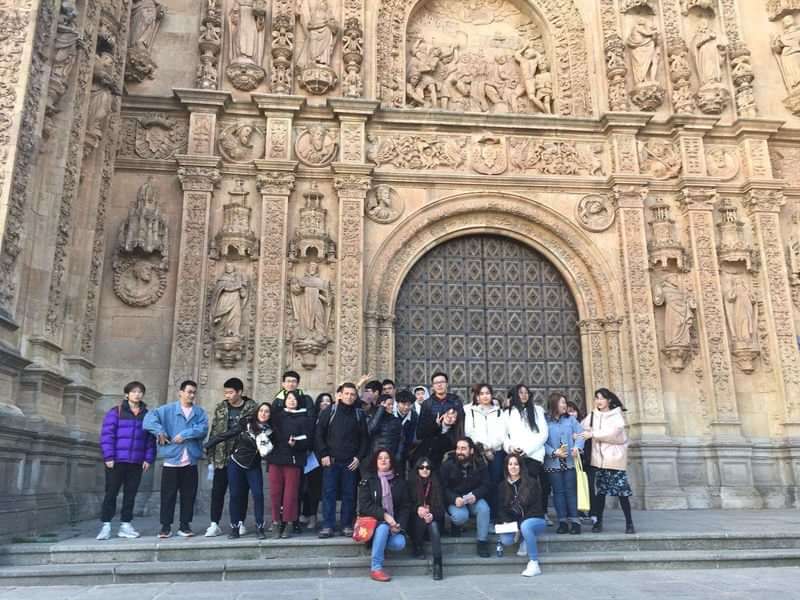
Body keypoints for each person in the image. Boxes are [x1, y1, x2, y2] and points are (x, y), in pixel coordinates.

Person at [143, 380, 209, 538]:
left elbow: (203, 429)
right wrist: (160, 431)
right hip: (172, 459)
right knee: (168, 495)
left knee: (189, 495)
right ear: (180, 392)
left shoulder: (199, 412)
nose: (191, 395)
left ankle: (185, 526)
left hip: (191, 459)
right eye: (189, 391)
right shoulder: (167, 410)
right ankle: (165, 527)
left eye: (194, 392)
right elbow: (148, 421)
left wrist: (185, 434)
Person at [97, 381, 156, 540]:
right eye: (134, 391)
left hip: (136, 461)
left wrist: (148, 458)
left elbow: (151, 439)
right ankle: (106, 525)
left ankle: (125, 525)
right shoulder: (116, 412)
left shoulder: (147, 415)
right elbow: (107, 435)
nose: (137, 394)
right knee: (111, 493)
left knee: (131, 494)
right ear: (127, 394)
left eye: (140, 392)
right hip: (116, 461)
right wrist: (108, 456)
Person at [205, 402, 273, 539]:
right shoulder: (247, 424)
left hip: (253, 466)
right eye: (261, 411)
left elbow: (273, 449)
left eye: (267, 412)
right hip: (236, 463)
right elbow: (228, 434)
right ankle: (234, 528)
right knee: (235, 495)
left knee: (258, 494)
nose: (263, 413)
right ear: (257, 412)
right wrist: (209, 444)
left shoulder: (271, 431)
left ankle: (260, 527)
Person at [315, 382, 369, 538]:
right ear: (340, 395)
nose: (349, 397)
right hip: (331, 461)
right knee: (328, 493)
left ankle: (346, 525)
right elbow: (318, 434)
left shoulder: (359, 414)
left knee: (349, 494)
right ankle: (328, 525)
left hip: (350, 463)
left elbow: (364, 439)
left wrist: (359, 458)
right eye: (347, 394)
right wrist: (323, 454)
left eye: (352, 394)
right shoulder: (329, 412)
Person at [205, 377, 256, 538]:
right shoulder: (221, 407)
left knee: (239, 492)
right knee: (218, 491)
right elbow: (215, 430)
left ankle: (239, 522)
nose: (227, 395)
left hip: (241, 456)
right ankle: (214, 523)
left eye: (231, 392)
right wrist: (211, 456)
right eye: (226, 392)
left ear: (240, 392)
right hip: (221, 456)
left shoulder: (251, 408)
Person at [581, 388, 635, 534]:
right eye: (596, 398)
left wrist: (592, 434)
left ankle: (629, 523)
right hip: (598, 461)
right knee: (600, 494)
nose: (598, 401)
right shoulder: (593, 415)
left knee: (622, 493)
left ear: (609, 400)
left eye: (601, 398)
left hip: (614, 459)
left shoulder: (617, 415)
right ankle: (598, 522)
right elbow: (582, 428)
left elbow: (613, 434)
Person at [357, 449, 410, 582]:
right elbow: (364, 505)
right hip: (372, 525)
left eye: (386, 458)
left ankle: (378, 545)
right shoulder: (368, 480)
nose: (383, 460)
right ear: (376, 461)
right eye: (380, 458)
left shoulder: (399, 481)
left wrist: (399, 525)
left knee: (400, 543)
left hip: (393, 526)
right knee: (383, 528)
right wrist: (385, 516)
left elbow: (405, 507)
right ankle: (376, 568)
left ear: (391, 461)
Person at [267, 390, 313, 538]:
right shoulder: (277, 416)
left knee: (290, 494)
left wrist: (296, 444)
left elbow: (308, 439)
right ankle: (276, 522)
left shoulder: (304, 418)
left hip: (294, 460)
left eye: (294, 398)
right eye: (289, 398)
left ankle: (288, 522)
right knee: (275, 493)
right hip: (276, 458)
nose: (291, 401)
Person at [504, 384, 550, 525]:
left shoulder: (537, 411)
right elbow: (504, 435)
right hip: (515, 456)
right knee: (515, 486)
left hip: (533, 455)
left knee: (533, 486)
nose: (523, 395)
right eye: (520, 393)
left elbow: (543, 434)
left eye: (526, 392)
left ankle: (539, 514)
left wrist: (527, 450)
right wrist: (511, 447)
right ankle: (517, 514)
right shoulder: (507, 413)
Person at [496, 454, 547, 577]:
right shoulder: (502, 486)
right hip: (515, 524)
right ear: (506, 467)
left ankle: (534, 563)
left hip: (535, 519)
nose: (513, 467)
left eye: (516, 464)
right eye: (510, 464)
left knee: (526, 526)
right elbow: (501, 510)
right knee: (506, 540)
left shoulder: (531, 483)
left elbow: (536, 508)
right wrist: (507, 522)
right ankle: (524, 537)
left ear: (521, 466)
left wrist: (519, 527)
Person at [439, 437, 491, 556]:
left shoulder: (480, 463)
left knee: (484, 509)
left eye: (463, 449)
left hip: (473, 498)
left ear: (471, 451)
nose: (460, 451)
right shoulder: (448, 464)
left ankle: (482, 542)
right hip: (455, 500)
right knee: (460, 516)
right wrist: (454, 498)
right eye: (458, 448)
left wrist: (476, 495)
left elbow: (487, 484)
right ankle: (455, 525)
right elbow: (442, 487)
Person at [465, 383, 507, 523]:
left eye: (487, 393)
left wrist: (491, 447)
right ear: (477, 396)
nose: (485, 396)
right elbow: (470, 432)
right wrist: (484, 448)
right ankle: (481, 516)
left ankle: (495, 516)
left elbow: (502, 433)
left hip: (497, 453)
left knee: (496, 483)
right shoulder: (471, 411)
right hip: (478, 453)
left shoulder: (499, 412)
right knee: (481, 483)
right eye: (482, 394)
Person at [544, 392, 584, 534]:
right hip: (553, 462)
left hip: (569, 462)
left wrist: (577, 447)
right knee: (558, 492)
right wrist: (553, 452)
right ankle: (562, 522)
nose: (565, 405)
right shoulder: (545, 421)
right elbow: (541, 441)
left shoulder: (571, 420)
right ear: (554, 404)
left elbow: (581, 434)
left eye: (565, 402)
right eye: (562, 402)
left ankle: (575, 521)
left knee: (571, 492)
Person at [300, 392, 333, 530]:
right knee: (309, 490)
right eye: (322, 401)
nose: (325, 403)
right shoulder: (313, 418)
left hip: (328, 458)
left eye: (328, 401)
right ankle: (310, 516)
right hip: (313, 458)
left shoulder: (334, 417)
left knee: (323, 490)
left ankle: (321, 519)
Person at [408, 456, 444, 580]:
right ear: (417, 469)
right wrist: (417, 509)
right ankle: (417, 547)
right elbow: (406, 506)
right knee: (419, 519)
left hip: (432, 521)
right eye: (421, 467)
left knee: (433, 525)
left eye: (428, 467)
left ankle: (438, 564)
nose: (425, 470)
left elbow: (441, 509)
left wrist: (431, 514)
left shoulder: (436, 484)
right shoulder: (411, 484)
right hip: (415, 522)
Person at [367, 394, 404, 464]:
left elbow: (401, 439)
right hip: (376, 456)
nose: (391, 406)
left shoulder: (395, 420)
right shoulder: (373, 417)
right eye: (389, 404)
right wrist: (381, 409)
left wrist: (398, 455)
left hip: (391, 456)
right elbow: (370, 430)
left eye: (392, 404)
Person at [396, 390, 419, 475]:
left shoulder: (414, 416)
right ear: (397, 403)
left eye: (409, 405)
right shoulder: (392, 414)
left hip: (408, 451)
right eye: (403, 404)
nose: (406, 407)